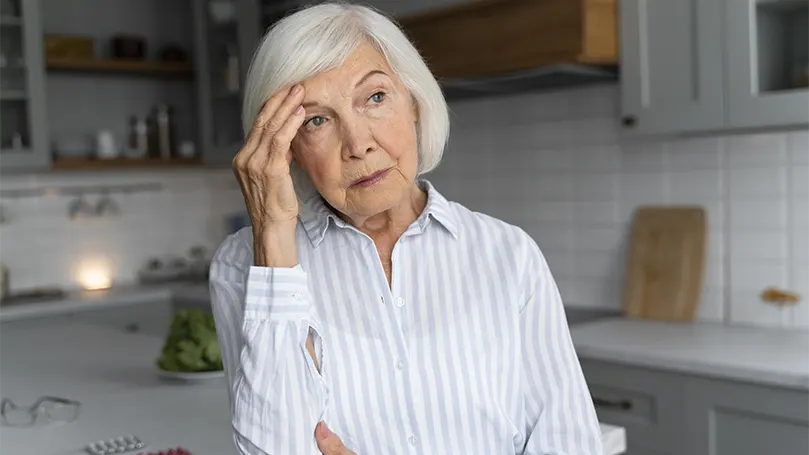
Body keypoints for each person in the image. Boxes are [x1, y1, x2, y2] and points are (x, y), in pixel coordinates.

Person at [209, 3, 604, 455]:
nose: (358, 144)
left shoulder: (509, 254)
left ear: (413, 100)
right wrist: (274, 235)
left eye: (375, 97)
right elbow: (270, 449)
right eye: (317, 120)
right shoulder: (244, 265)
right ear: (287, 147)